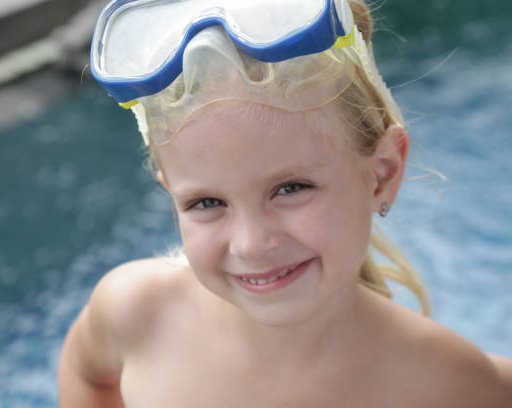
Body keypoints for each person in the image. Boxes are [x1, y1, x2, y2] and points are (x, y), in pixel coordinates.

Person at [58, 0, 512, 406]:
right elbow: (85, 371)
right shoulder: (136, 310)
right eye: (207, 202)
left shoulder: (444, 381)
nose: (251, 245)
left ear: (381, 175)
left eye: (290, 189)